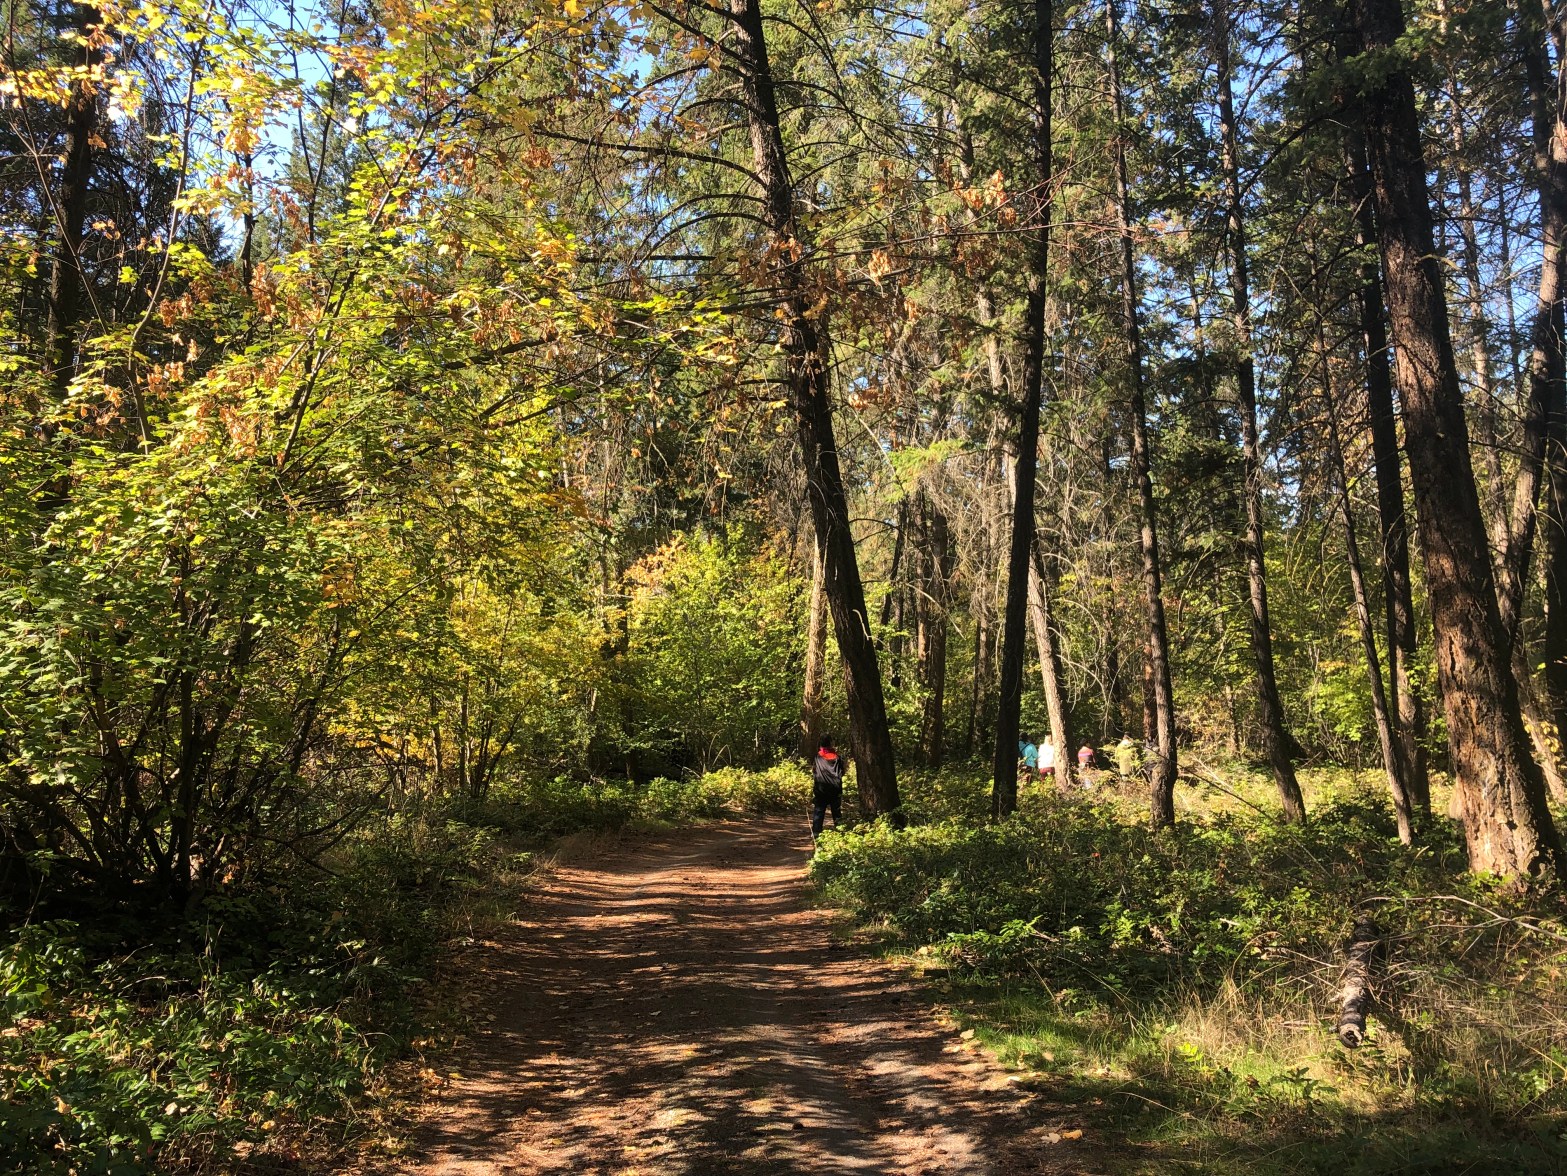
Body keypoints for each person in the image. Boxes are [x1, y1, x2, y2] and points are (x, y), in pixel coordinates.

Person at [811, 734, 846, 838]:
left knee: (819, 811)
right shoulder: (837, 757)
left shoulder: (818, 757)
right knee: (836, 812)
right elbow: (842, 772)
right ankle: (841, 833)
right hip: (835, 788)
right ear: (831, 743)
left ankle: (816, 833)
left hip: (821, 789)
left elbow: (814, 771)